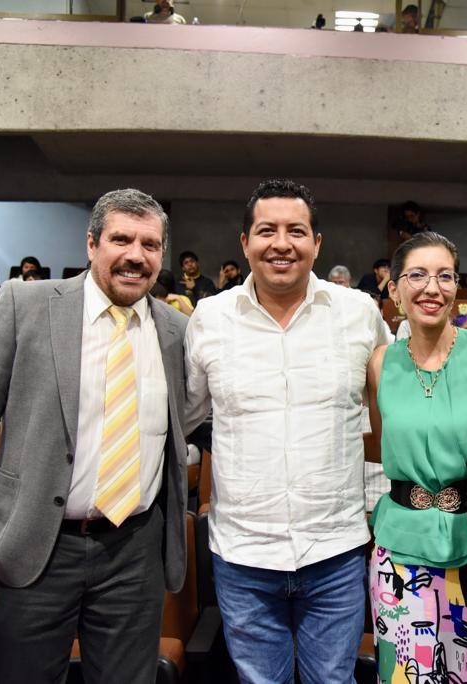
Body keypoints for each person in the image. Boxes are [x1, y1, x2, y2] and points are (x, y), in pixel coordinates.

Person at [0, 188, 191, 684]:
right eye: (121, 239)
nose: (136, 255)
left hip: (134, 552)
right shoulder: (24, 305)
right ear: (91, 244)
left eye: (150, 245)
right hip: (35, 547)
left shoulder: (176, 331)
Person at [184, 178, 391, 683]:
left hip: (335, 550)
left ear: (316, 243)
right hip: (243, 554)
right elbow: (183, 416)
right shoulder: (211, 318)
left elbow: (390, 409)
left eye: (296, 231)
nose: (282, 244)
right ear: (245, 242)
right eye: (266, 231)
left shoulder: (358, 313)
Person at [366, 231, 467, 684]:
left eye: (445, 276)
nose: (432, 288)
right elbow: (382, 444)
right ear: (394, 290)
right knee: (405, 675)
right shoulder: (380, 362)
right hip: (399, 551)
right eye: (417, 275)